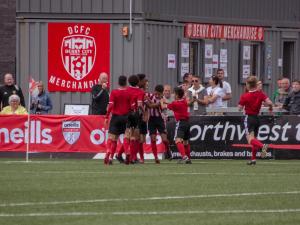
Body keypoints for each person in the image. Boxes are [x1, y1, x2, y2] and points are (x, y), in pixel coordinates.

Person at [238, 76, 273, 165]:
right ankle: (253, 159)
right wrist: (270, 108)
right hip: (257, 118)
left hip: (248, 118)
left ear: (248, 85)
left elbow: (239, 108)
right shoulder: (260, 94)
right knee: (254, 139)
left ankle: (262, 146)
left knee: (250, 140)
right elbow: (269, 103)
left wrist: (242, 106)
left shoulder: (245, 96)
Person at [104, 75, 131, 165]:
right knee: (126, 137)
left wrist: (107, 117)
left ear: (118, 82)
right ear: (126, 82)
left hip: (116, 117)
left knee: (112, 138)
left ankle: (109, 154)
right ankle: (127, 152)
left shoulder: (114, 92)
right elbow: (132, 106)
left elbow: (111, 106)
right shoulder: (128, 93)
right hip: (126, 117)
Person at [161, 87, 191, 164]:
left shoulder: (175, 103)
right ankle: (188, 158)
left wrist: (162, 101)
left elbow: (163, 107)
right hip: (187, 123)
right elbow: (172, 104)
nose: (173, 95)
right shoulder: (184, 101)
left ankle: (184, 157)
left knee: (177, 140)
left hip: (180, 123)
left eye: (174, 93)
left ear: (177, 95)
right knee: (185, 142)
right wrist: (166, 102)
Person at [146, 84, 172, 162]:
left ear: (161, 93)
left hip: (159, 119)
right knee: (153, 139)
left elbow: (163, 108)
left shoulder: (162, 99)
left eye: (158, 94)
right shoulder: (150, 96)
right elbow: (149, 105)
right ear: (154, 91)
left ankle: (168, 151)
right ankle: (156, 157)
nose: (157, 95)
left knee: (164, 139)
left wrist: (160, 104)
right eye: (156, 93)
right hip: (151, 119)